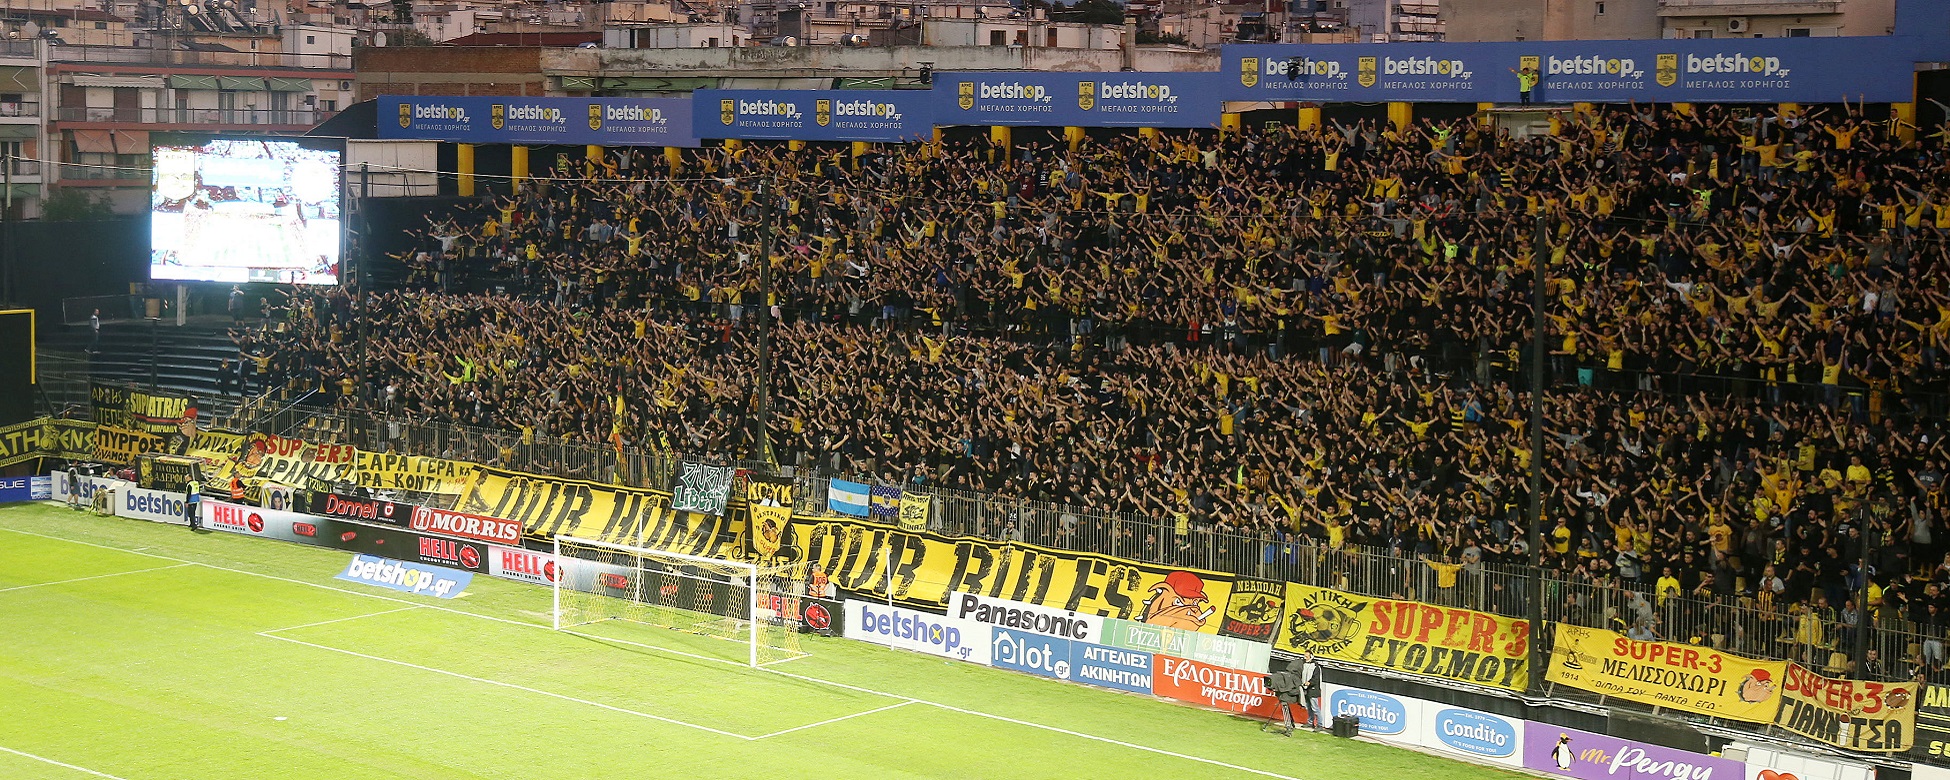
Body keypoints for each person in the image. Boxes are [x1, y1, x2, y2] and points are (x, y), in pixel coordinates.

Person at [1299, 651, 1324, 732]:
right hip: (1305, 689)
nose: (1305, 658)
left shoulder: (1316, 667)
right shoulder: (1304, 665)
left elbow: (1316, 679)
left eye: (1307, 656)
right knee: (1308, 707)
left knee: (1315, 708)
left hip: (1313, 689)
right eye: (1304, 656)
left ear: (1311, 657)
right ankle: (1310, 722)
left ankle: (1320, 724)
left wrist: (1309, 682)